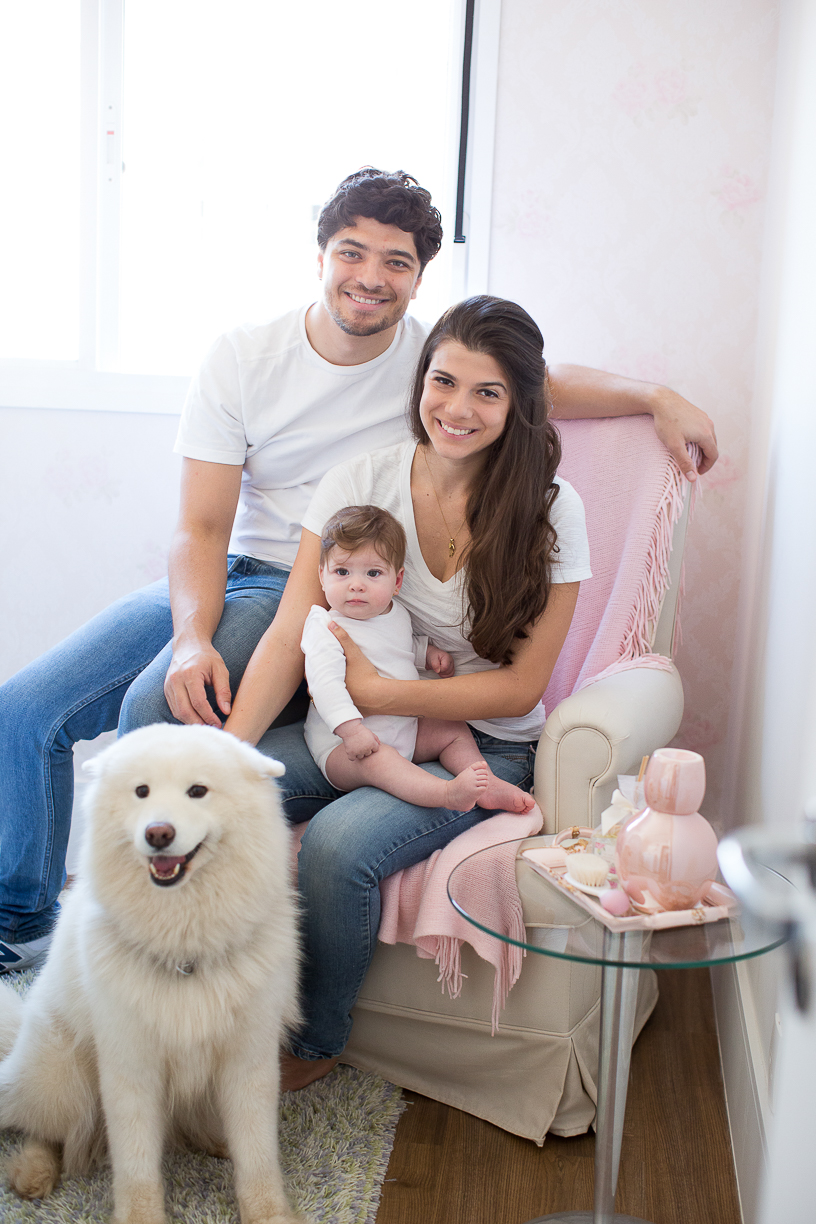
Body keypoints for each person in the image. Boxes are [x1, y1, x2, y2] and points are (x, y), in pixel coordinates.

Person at [0, 167, 718, 974]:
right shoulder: (245, 356)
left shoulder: (433, 362)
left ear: (419, 277)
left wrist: (655, 396)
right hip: (238, 571)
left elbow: (533, 383)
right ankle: (23, 924)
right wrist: (192, 635)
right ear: (320, 255)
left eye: (396, 261)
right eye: (352, 252)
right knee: (23, 708)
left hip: (321, 586)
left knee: (151, 708)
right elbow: (199, 526)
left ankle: (143, 950)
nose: (371, 277)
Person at [223, 296, 596, 1090]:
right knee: (216, 798)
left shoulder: (553, 508)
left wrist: (383, 691)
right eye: (443, 381)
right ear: (421, 379)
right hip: (354, 724)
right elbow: (291, 632)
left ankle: (314, 1042)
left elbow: (520, 687)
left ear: (520, 404)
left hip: (483, 740)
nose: (457, 409)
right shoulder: (362, 481)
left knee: (337, 848)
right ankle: (193, 1001)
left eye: (487, 392)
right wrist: (226, 752)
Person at [302, 504, 535, 813]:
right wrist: (351, 731)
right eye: (342, 572)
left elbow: (399, 648)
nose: (356, 585)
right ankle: (446, 794)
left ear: (397, 582)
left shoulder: (395, 614)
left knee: (451, 728)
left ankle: (487, 783)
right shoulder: (325, 626)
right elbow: (324, 686)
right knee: (380, 761)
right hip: (344, 747)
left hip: (404, 728)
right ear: (322, 575)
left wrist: (427, 654)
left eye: (373, 573)